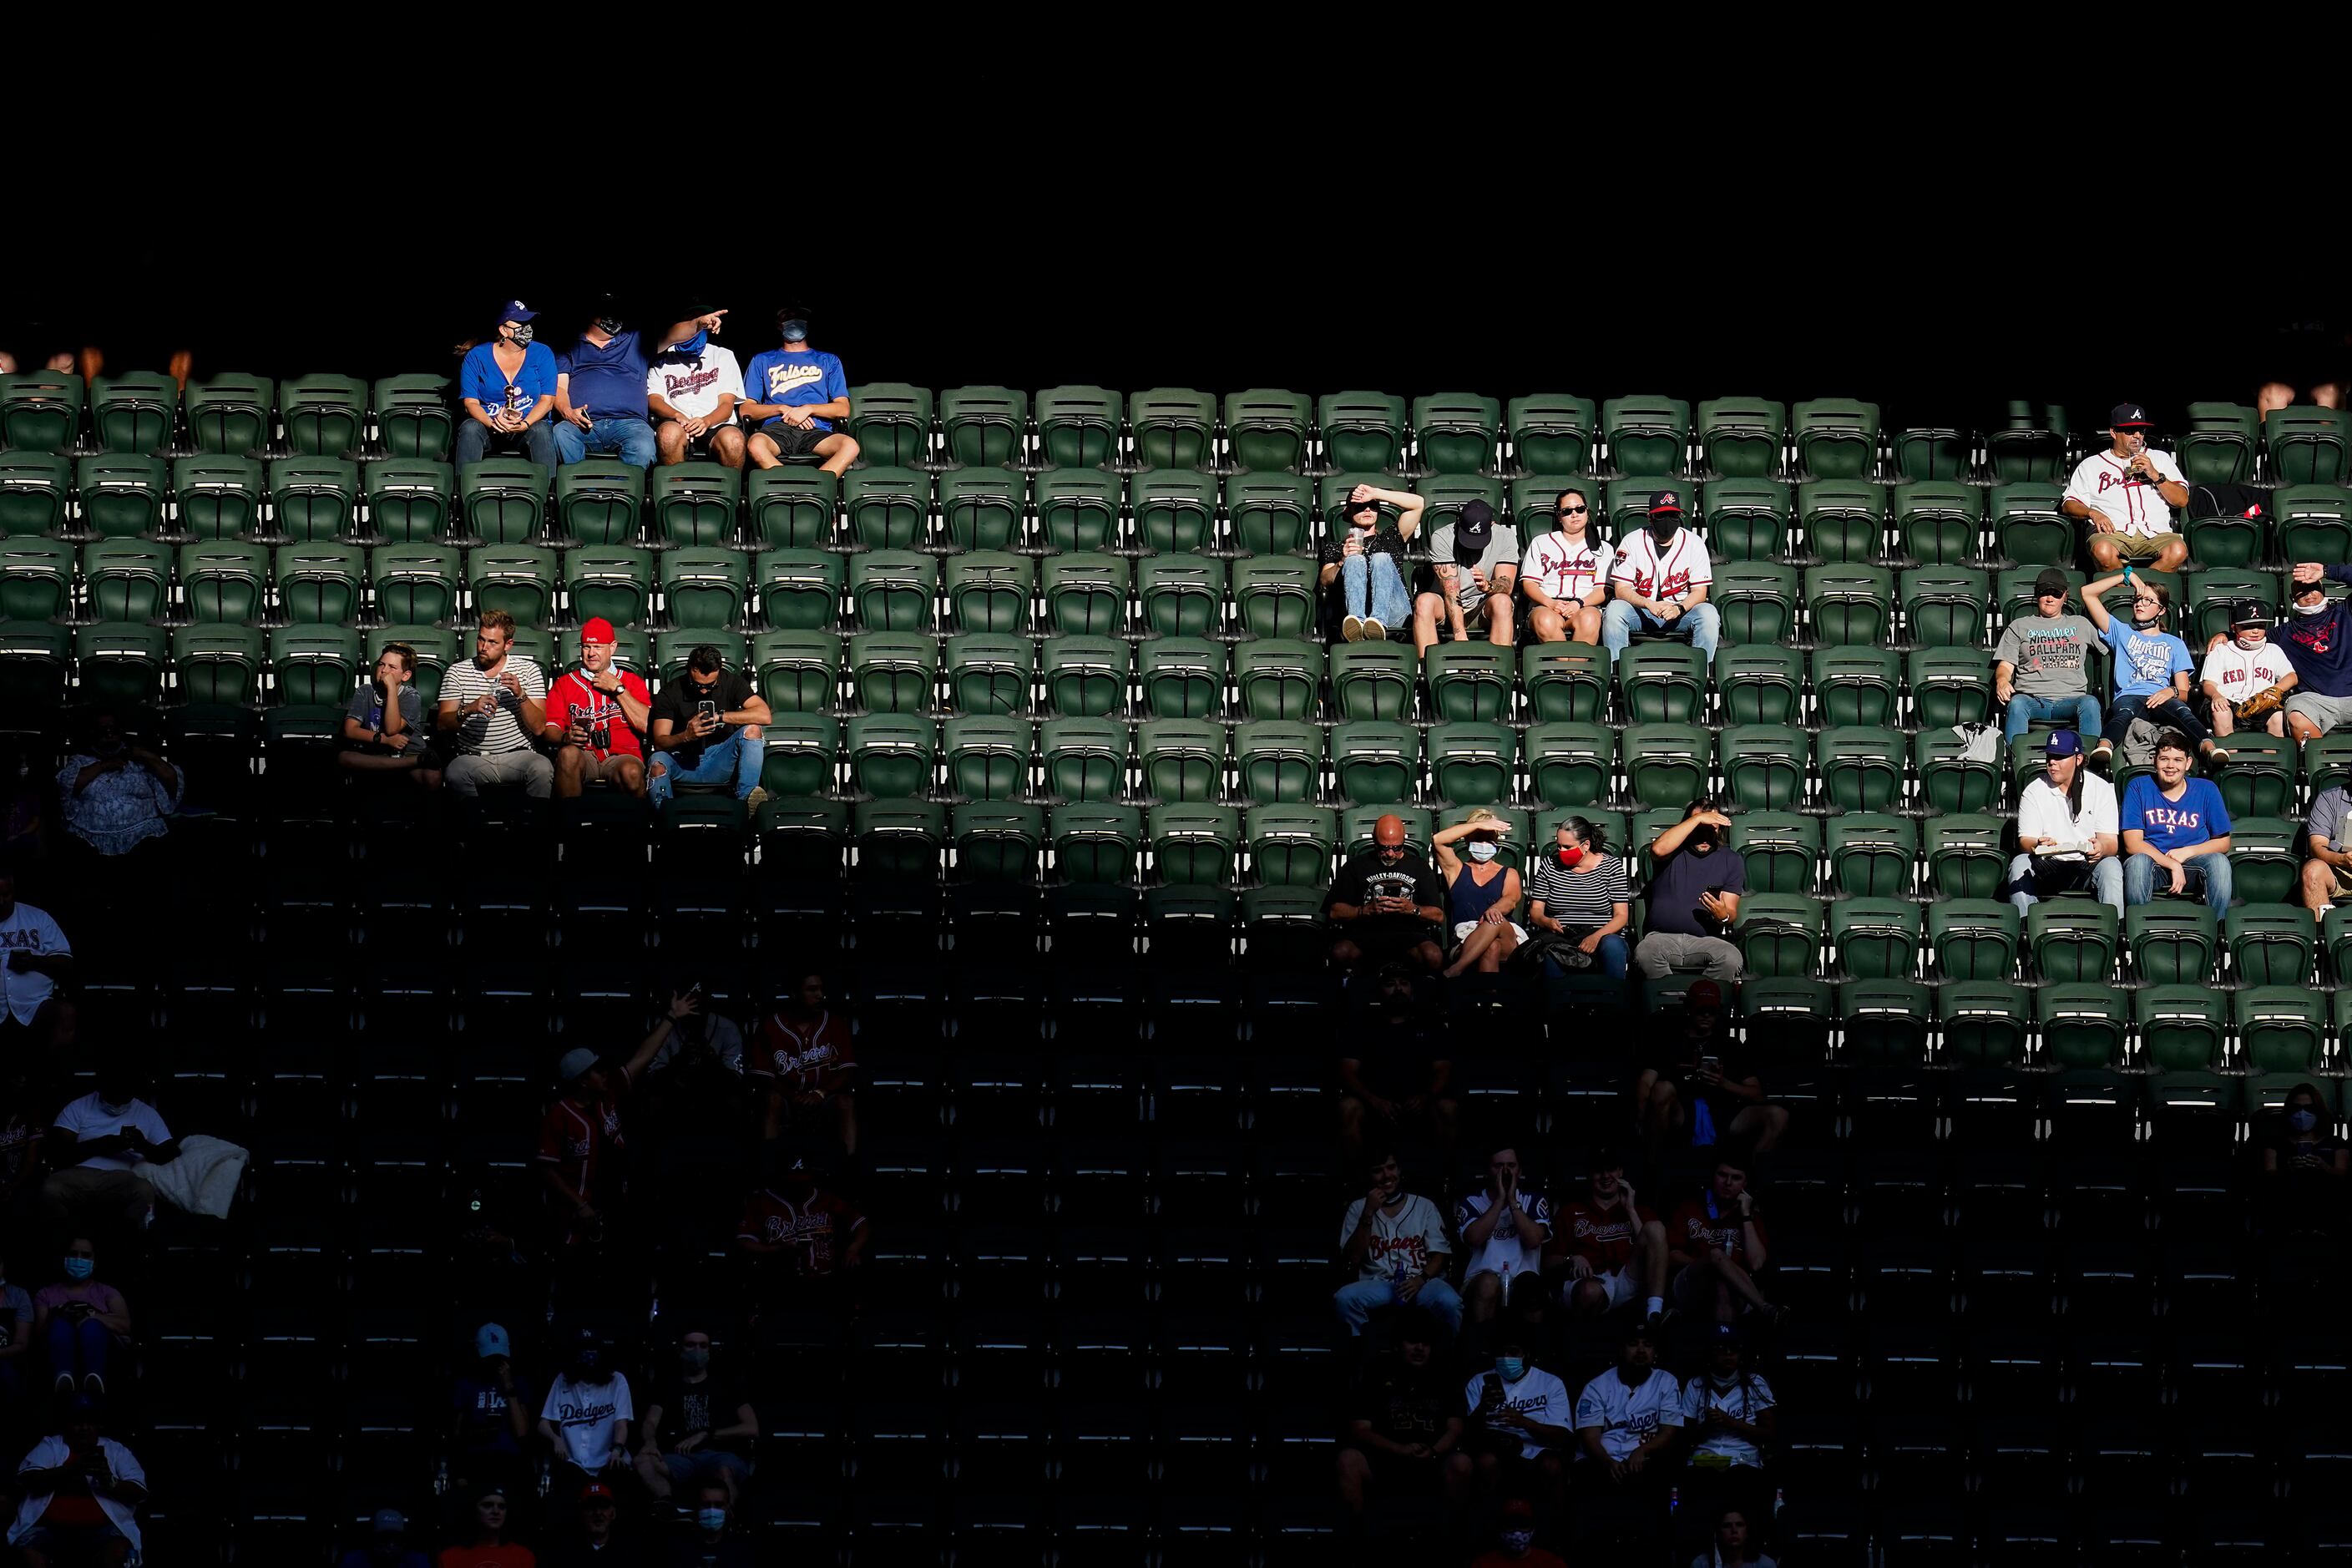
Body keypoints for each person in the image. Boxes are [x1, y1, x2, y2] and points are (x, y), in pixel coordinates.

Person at [538, 992, 700, 1249]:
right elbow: (547, 1170)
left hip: (616, 1202)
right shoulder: (559, 1115)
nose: (604, 1074)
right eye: (597, 1071)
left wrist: (671, 1018)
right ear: (581, 1080)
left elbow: (642, 1058)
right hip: (579, 1213)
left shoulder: (609, 1091)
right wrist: (580, 1205)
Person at [1336, 1307, 1469, 1521]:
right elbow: (1359, 1430)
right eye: (1413, 1341)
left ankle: (1455, 1540)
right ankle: (1357, 1539)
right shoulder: (1376, 1374)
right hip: (1386, 1460)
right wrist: (1399, 1449)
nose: (1420, 1348)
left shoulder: (1445, 1376)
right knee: (1348, 1459)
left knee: (1462, 1463)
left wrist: (1434, 1451)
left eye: (1425, 1343)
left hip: (1432, 1460)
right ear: (1397, 1345)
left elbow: (1455, 1428)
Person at [2080, 569, 2221, 764]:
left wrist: (2169, 691)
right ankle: (2105, 747)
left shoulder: (2174, 643)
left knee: (2183, 712)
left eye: (2148, 600)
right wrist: (2126, 577)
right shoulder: (2121, 632)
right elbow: (2087, 593)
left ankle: (2209, 747)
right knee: (2123, 713)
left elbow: (2184, 692)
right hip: (2129, 695)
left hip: (2161, 696)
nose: (2140, 604)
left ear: (2161, 610)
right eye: (2138, 599)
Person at [1635, 982, 1788, 1156]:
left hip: (1724, 1111)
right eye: (1701, 1010)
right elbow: (1646, 1081)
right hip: (1682, 1111)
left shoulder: (1730, 1046)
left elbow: (1757, 1094)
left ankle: (1749, 1177)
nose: (1706, 1015)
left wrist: (1724, 1084)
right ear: (1689, 1008)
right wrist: (1641, 1114)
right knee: (1662, 1089)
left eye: (1712, 1011)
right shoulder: (1670, 1043)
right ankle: (1653, 1170)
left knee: (1778, 1115)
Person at [1336, 963, 1454, 1169]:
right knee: (1347, 1107)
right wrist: (1373, 1100)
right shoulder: (1362, 1025)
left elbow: (1443, 1068)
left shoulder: (1430, 1023)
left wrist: (1425, 1096)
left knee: (1448, 1108)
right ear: (1380, 990)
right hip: (1375, 1104)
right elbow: (1347, 1070)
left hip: (1419, 1104)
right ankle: (1354, 1180)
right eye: (1390, 984)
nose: (1398, 989)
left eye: (1404, 983)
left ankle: (1445, 1178)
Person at [1335, 1147, 1462, 1337]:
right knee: (1344, 1299)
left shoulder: (1424, 1205)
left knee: (1450, 1302)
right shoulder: (1358, 1208)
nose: (1387, 1175)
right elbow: (1353, 1257)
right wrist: (1368, 1213)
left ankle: (1448, 1356)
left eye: (1391, 1167)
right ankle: (1362, 1350)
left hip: (1422, 1281)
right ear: (1369, 1175)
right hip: (1379, 1283)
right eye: (1378, 1170)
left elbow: (1440, 1254)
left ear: (1399, 1170)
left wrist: (1420, 1280)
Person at [7, 1398, 144, 1567]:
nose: (84, 1428)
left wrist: (109, 1481)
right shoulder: (51, 1445)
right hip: (50, 1532)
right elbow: (27, 1479)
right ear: (67, 1425)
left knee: (120, 1552)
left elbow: (139, 1491)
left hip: (102, 1532)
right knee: (28, 1556)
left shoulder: (115, 1450)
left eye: (90, 1423)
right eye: (78, 1423)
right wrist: (72, 1469)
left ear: (98, 1426)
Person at [43, 1060, 177, 1230]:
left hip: (123, 1178)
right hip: (79, 1176)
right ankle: (63, 1244)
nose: (119, 1103)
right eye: (114, 1095)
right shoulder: (78, 1107)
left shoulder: (147, 1113)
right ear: (102, 1087)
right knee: (50, 1188)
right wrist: (101, 1145)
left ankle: (133, 1246)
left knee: (144, 1190)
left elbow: (171, 1154)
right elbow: (57, 1155)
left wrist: (142, 1145)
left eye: (124, 1096)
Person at [2003, 730, 2124, 920]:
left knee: (2111, 865)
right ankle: (2027, 930)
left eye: (2060, 757)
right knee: (2020, 863)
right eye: (2050, 756)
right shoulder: (2034, 790)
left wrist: (2101, 848)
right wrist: (2037, 846)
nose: (2052, 762)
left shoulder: (2101, 788)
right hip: (2048, 863)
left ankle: (2113, 933)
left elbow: (2111, 843)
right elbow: (2025, 840)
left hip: (2087, 863)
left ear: (2078, 759)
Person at [635, 1326, 757, 1507]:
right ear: (680, 1349)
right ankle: (667, 1506)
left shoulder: (727, 1384)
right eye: (691, 1345)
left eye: (703, 1345)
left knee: (724, 1473)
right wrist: (650, 1441)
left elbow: (752, 1427)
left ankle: (727, 1519)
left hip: (720, 1455)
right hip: (681, 1458)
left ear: (710, 1349)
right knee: (642, 1461)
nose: (697, 1351)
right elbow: (651, 1421)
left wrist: (707, 1434)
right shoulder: (667, 1385)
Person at [438, 611, 553, 799]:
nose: (483, 647)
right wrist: (469, 709)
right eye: (481, 639)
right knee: (455, 772)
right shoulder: (458, 672)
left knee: (542, 768)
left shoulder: (528, 671)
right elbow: (443, 723)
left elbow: (539, 728)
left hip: (518, 754)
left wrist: (520, 694)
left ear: (508, 645)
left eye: (492, 642)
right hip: (473, 756)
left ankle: (534, 826)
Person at [2065, 403, 2190, 572]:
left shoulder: (2160, 459)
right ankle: (2128, 591)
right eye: (2130, 431)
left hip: (2155, 532)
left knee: (2178, 550)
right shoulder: (2092, 464)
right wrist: (2092, 513)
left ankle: (2143, 592)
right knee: (2102, 551)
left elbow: (2182, 500)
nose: (2137, 436)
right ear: (2113, 433)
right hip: (2113, 533)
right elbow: (2069, 504)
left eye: (2141, 430)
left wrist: (2155, 475)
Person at [2119, 730, 2234, 912]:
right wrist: (2172, 864)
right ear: (2154, 760)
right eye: (2164, 759)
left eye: (2177, 760)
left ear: (2188, 763)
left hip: (2194, 862)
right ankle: (2138, 930)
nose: (2170, 766)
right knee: (2137, 863)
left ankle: (2216, 929)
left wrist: (2186, 852)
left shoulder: (2207, 789)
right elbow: (2132, 844)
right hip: (2154, 862)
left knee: (2220, 863)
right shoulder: (2139, 787)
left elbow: (2223, 842)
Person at [1549, 1151, 1669, 1326]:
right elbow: (1549, 1262)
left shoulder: (1640, 1211)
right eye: (1599, 1171)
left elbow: (1653, 1246)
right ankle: (1580, 1346)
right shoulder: (1570, 1211)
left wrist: (1630, 1210)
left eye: (1611, 1169)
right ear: (1590, 1174)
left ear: (1620, 1172)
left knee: (1656, 1228)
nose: (1606, 1176)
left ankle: (1654, 1315)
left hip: (1626, 1278)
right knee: (1590, 1291)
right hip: (1587, 1281)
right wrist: (1572, 1259)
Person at [646, 644, 771, 810]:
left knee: (753, 730)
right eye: (699, 685)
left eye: (710, 686)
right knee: (656, 764)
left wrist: (720, 716)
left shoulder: (731, 682)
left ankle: (746, 803)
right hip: (682, 761)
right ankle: (663, 816)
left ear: (719, 671)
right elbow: (660, 741)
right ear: (689, 670)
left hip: (720, 758)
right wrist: (686, 736)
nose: (704, 691)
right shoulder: (670, 692)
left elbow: (764, 715)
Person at [751, 970, 858, 1160]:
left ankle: (847, 1169)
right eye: (812, 990)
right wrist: (792, 1096)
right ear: (794, 994)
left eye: (821, 989)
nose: (820, 995)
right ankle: (768, 1167)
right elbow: (763, 1076)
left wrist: (821, 1093)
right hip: (787, 1099)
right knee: (772, 1100)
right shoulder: (770, 1026)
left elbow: (848, 1071)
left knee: (846, 1102)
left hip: (824, 1099)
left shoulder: (835, 1023)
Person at [1602, 489, 1717, 665]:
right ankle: (1616, 673)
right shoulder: (1631, 542)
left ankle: (1700, 674)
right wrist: (1648, 603)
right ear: (1650, 518)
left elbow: (1700, 592)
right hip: (1641, 611)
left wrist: (1680, 608)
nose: (1667, 521)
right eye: (1661, 515)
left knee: (1709, 614)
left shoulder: (1695, 544)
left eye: (1673, 515)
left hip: (1680, 612)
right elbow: (1621, 590)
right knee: (1614, 611)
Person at [1633, 800, 1745, 984]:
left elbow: (1731, 912)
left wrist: (1723, 915)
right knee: (1645, 953)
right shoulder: (1673, 851)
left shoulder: (1731, 860)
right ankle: (1670, 1002)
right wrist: (1700, 818)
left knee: (1731, 957)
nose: (1705, 836)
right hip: (1661, 938)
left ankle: (1702, 1003)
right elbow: (1658, 849)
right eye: (1700, 827)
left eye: (1712, 829)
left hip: (1706, 940)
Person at [541, 619, 651, 801]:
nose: (591, 653)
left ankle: (636, 827)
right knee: (568, 754)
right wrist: (565, 737)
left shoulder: (632, 682)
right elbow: (549, 729)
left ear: (612, 647)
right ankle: (570, 824)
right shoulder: (565, 684)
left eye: (598, 647)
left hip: (622, 755)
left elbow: (647, 725)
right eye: (586, 647)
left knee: (631, 772)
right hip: (584, 755)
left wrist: (618, 689)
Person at [1323, 813, 1448, 975]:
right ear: (1374, 841)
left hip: (1409, 934)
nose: (1390, 853)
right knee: (1341, 952)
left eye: (1397, 847)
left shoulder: (1420, 867)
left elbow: (1438, 915)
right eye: (1384, 847)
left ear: (1404, 840)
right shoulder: (1356, 866)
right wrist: (1364, 911)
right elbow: (1334, 911)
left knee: (1433, 955)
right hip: (1366, 933)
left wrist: (1412, 909)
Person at [1993, 568, 2107, 746]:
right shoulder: (2019, 626)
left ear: (2065, 596)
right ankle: (2015, 760)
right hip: (2032, 700)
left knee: (2091, 703)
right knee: (2016, 704)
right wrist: (2002, 680)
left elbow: (2112, 645)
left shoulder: (2081, 624)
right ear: (2037, 594)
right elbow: (2005, 665)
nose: (2050, 598)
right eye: (2044, 592)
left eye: (2056, 593)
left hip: (2071, 700)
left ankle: (2088, 763)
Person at [741, 306, 859, 476]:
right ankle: (787, 485)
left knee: (850, 446)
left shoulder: (828, 360)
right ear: (779, 325)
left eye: (799, 317)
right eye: (787, 317)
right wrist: (784, 409)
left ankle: (816, 489)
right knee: (755, 445)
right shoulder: (762, 360)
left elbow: (843, 408)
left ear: (808, 324)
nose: (793, 321)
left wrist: (808, 409)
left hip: (816, 429)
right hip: (776, 429)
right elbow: (747, 409)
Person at [1452, 1341, 1574, 1504]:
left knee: (1552, 1466)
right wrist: (1483, 1407)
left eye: (1513, 1352)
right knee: (1486, 1462)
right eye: (1502, 1353)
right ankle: (1488, 1522)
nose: (1506, 1358)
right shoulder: (1478, 1382)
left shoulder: (1550, 1382)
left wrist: (1524, 1422)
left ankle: (1556, 1525)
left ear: (1526, 1354)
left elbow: (1562, 1436)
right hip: (1493, 1445)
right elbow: (1467, 1435)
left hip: (1536, 1447)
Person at [1571, 1323, 1682, 1498]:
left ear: (1655, 1352)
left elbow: (1669, 1432)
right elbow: (1590, 1437)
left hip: (1646, 1458)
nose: (1640, 1350)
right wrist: (1608, 1462)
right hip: (1601, 1459)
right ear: (1621, 1350)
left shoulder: (1665, 1381)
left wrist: (1643, 1450)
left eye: (1647, 1344)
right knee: (1585, 1472)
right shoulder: (1597, 1386)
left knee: (1664, 1470)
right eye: (1633, 1344)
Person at [58, 709, 183, 860]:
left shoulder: (140, 760)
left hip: (143, 835)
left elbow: (172, 779)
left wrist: (143, 754)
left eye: (112, 727)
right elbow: (67, 785)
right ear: (93, 733)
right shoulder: (80, 761)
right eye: (102, 729)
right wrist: (104, 765)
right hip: (89, 838)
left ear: (121, 731)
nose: (108, 732)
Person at [735, 1154, 869, 1292]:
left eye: (803, 1182)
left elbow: (861, 1224)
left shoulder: (826, 1198)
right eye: (793, 1183)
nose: (798, 1187)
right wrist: (776, 1250)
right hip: (779, 1285)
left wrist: (853, 1249)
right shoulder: (761, 1201)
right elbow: (744, 1242)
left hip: (827, 1283)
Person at [1668, 1159, 1778, 1326]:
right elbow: (1672, 1256)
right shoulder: (1690, 1207)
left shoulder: (1752, 1216)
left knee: (1723, 1284)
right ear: (1713, 1176)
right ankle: (1765, 1308)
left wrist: (1746, 1215)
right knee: (1716, 1255)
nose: (1728, 1183)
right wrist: (1711, 1265)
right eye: (1722, 1175)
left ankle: (1724, 1345)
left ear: (1745, 1183)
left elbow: (1756, 1264)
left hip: (1737, 1290)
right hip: (1690, 1284)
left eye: (1736, 1178)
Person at [1454, 1146, 1552, 1331]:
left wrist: (1513, 1202)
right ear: (1487, 1170)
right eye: (1498, 1166)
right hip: (1480, 1279)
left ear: (1520, 1170)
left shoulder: (1533, 1200)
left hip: (1524, 1278)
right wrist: (1500, 1200)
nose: (1505, 1172)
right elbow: (1474, 1239)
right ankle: (1481, 1349)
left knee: (1531, 1286)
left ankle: (1532, 1356)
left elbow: (1533, 1240)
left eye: (1511, 1165)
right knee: (1489, 1283)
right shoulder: (1472, 1201)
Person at [1524, 815, 1632, 980]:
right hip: (1561, 935)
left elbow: (1621, 916)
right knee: (1551, 953)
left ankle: (1614, 999)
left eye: (1567, 847)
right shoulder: (1549, 865)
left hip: (1602, 934)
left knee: (1613, 947)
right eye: (1558, 846)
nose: (1561, 851)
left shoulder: (1612, 867)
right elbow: (1536, 911)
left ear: (1586, 845)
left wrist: (1596, 937)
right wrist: (1547, 922)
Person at [551, 306, 659, 470]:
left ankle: (616, 491)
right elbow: (560, 387)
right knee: (561, 432)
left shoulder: (636, 339)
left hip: (629, 423)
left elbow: (674, 335)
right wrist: (568, 411)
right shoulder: (569, 344)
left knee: (643, 446)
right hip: (585, 423)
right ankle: (584, 492)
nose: (612, 317)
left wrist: (697, 323)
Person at [1681, 1328, 1777, 1508]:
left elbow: (1770, 1433)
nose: (1728, 1354)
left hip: (1743, 1459)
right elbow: (1684, 1438)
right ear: (1710, 1353)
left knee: (1742, 1480)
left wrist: (1731, 1423)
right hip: (1704, 1459)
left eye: (1733, 1349)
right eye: (1721, 1349)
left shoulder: (1755, 1382)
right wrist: (1707, 1426)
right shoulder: (1696, 1384)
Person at [457, 301, 560, 469]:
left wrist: (524, 424)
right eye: (520, 324)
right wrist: (493, 424)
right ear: (503, 330)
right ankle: (464, 490)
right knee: (470, 428)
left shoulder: (542, 353)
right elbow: (470, 403)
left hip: (528, 427)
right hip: (489, 426)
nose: (526, 328)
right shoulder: (476, 356)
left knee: (541, 429)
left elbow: (547, 400)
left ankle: (548, 492)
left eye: (528, 323)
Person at [1414, 498, 1520, 655]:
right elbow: (1451, 591)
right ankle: (1428, 668)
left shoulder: (1505, 536)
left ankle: (1499, 669)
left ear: (1492, 524)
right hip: (1446, 606)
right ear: (1458, 521)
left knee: (1503, 601)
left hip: (1480, 606)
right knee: (1424, 602)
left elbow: (1507, 584)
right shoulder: (1442, 536)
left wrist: (1488, 586)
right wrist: (1460, 634)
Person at [1319, 483, 1421, 644]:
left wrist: (1376, 493)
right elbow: (1325, 580)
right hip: (1352, 620)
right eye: (1360, 506)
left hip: (1393, 614)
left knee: (1380, 558)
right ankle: (1357, 623)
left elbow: (1418, 504)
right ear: (1348, 511)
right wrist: (1342, 562)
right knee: (1354, 560)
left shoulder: (1391, 538)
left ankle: (1378, 622)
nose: (1367, 510)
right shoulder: (1336, 547)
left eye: (1372, 505)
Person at [539, 1328, 634, 1497]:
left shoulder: (617, 1380)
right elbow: (543, 1423)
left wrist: (617, 1449)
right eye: (583, 1350)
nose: (588, 1355)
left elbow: (621, 1424)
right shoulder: (563, 1380)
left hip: (608, 1461)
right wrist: (556, 1439)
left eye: (593, 1349)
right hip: (573, 1463)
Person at [1432, 808, 1525, 979]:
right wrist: (1478, 824)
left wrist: (1495, 909)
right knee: (1491, 947)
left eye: (1489, 839)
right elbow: (1438, 840)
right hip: (1466, 936)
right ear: (1467, 839)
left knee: (1495, 920)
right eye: (1478, 838)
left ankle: (1456, 969)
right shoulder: (1456, 870)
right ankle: (1488, 1002)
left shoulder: (1508, 873)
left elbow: (1511, 899)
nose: (1484, 843)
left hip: (1506, 934)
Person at [648, 315, 748, 470]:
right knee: (668, 435)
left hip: (715, 423)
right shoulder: (662, 359)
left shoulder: (723, 356)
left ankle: (728, 492)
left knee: (734, 440)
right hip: (678, 422)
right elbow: (654, 399)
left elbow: (727, 405)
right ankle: (677, 491)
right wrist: (677, 415)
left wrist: (706, 421)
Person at [32, 1238, 129, 1397]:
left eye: (85, 1255)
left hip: (106, 1358)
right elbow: (38, 1334)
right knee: (60, 1325)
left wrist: (90, 1317)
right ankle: (63, 1378)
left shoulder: (108, 1293)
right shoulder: (46, 1294)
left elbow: (126, 1326)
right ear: (64, 1258)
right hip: (54, 1357)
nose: (78, 1259)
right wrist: (58, 1315)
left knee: (92, 1326)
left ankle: (94, 1378)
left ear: (95, 1262)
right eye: (73, 1254)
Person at [1520, 485, 1613, 645]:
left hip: (1584, 605)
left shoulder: (1603, 548)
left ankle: (1576, 670)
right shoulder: (1541, 543)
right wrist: (1550, 603)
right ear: (1559, 517)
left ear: (1587, 511)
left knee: (1590, 619)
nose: (1574, 514)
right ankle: (1565, 669)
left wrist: (1579, 603)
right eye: (1567, 511)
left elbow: (1602, 590)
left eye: (1580, 509)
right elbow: (1529, 584)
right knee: (1545, 621)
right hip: (1546, 604)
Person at [451, 1323, 533, 1498]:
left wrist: (508, 1387)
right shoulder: (466, 1384)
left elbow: (522, 1432)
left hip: (509, 1460)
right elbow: (456, 1433)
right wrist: (474, 1433)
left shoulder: (518, 1383)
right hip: (476, 1459)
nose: (495, 1362)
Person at [341, 643, 441, 787]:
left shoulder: (411, 696)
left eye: (392, 667)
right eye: (382, 664)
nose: (384, 671)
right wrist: (384, 740)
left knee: (433, 776)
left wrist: (392, 690)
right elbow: (350, 730)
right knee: (344, 758)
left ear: (406, 675)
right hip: (376, 753)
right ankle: (414, 762)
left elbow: (392, 728)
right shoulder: (365, 691)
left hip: (408, 752)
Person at [2200, 599, 2297, 746]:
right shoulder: (2221, 649)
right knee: (2221, 712)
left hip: (2262, 702)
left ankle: (2272, 763)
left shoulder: (2273, 650)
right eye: (2249, 626)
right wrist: (2216, 696)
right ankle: (2228, 760)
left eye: (2260, 625)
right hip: (2228, 702)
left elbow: (2292, 677)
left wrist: (2276, 689)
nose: (2256, 630)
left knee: (2277, 716)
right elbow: (2208, 684)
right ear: (2235, 628)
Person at [2276, 562, 2352, 741]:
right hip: (2316, 701)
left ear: (2323, 590)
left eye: (2313, 587)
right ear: (2292, 597)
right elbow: (2251, 637)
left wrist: (2328, 571)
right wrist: (2224, 635)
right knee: (2296, 711)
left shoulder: (2346, 612)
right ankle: (2323, 765)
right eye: (2301, 590)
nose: (2308, 593)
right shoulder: (2283, 633)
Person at [0, 873, 73, 1059]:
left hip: (35, 1005)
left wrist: (34, 961)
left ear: (14, 891)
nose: (1, 901)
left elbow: (66, 962)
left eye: (6, 895)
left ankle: (54, 1084)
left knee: (65, 1013)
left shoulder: (38, 918)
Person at [2260, 1081, 2346, 1237]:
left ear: (2318, 1111)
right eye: (2296, 1108)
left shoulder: (2336, 1143)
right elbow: (2267, 1176)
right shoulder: (2274, 1143)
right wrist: (2287, 1170)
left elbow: (2344, 1175)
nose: (2302, 1114)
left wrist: (2324, 1167)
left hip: (2327, 1207)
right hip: (2286, 1206)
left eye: (2309, 1109)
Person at [436, 1485, 534, 1568]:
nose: (496, 1511)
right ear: (474, 1511)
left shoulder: (523, 1557)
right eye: (487, 1505)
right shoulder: (450, 1558)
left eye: (501, 1506)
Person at [662, 1483, 756, 1568]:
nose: (712, 1510)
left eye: (718, 1505)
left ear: (728, 1508)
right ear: (697, 1506)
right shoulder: (677, 1548)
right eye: (706, 1505)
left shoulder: (742, 1549)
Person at [539, 1484, 634, 1568]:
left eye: (603, 1506)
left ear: (613, 1513)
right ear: (581, 1513)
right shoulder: (563, 1554)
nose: (598, 1512)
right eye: (591, 1507)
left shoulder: (629, 1553)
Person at [2303, 782, 2352, 924]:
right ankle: (2322, 936)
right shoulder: (2329, 799)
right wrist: (2341, 859)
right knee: (2313, 871)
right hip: (2338, 868)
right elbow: (2317, 846)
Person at [1692, 1505, 1780, 1568]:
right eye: (1727, 1526)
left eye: (1739, 1525)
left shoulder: (1765, 1564)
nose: (1734, 1530)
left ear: (1747, 1532)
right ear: (1718, 1533)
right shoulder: (1701, 1564)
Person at [339, 1509, 430, 1568]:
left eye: (396, 1541)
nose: (389, 1549)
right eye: (383, 1541)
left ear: (404, 1543)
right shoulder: (354, 1561)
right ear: (372, 1541)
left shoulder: (417, 1562)